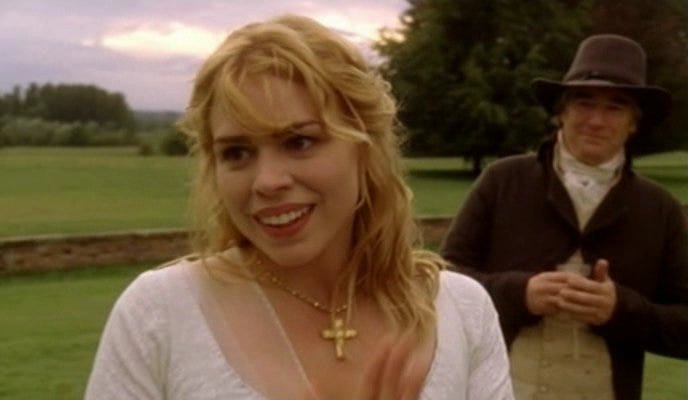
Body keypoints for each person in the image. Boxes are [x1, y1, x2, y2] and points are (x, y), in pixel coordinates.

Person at [85, 15, 513, 400]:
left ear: (365, 147)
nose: (267, 181)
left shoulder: (461, 312)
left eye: (299, 142)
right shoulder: (160, 314)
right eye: (237, 153)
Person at [440, 33, 688, 400]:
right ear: (561, 112)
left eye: (615, 107)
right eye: (584, 103)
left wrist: (620, 310)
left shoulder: (660, 207)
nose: (596, 120)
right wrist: (519, 294)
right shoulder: (503, 180)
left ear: (633, 123)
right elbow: (442, 283)